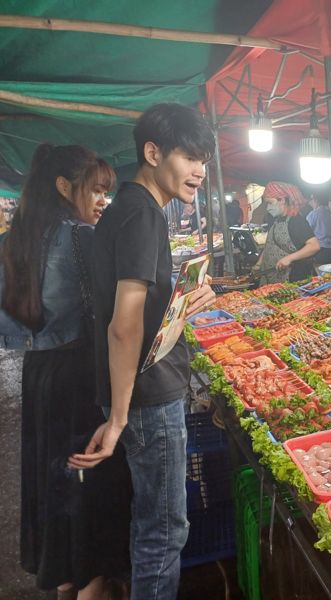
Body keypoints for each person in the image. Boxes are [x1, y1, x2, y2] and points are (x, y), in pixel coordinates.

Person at [68, 103, 217, 600]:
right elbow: (123, 326)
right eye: (190, 157)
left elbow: (138, 312)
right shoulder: (142, 215)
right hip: (150, 399)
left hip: (141, 394)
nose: (200, 170)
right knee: (164, 532)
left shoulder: (129, 211)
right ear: (153, 152)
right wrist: (119, 417)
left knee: (150, 524)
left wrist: (182, 304)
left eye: (205, 160)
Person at [0, 144, 131, 599]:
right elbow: (108, 319)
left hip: (38, 374)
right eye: (95, 190)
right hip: (79, 376)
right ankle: (92, 585)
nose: (101, 201)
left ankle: (64, 582)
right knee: (88, 484)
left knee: (55, 480)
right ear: (63, 187)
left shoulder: (13, 239)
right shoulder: (80, 236)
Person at [254, 181, 320, 283]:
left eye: (270, 203)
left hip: (291, 279)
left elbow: (314, 246)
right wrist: (259, 264)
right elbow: (269, 245)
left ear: (282, 200)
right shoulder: (276, 220)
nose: (267, 208)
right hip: (270, 278)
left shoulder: (296, 221)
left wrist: (289, 258)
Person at [306, 194, 331, 265]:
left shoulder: (313, 214)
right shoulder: (330, 214)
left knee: (315, 273)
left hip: (318, 249)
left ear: (316, 201)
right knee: (328, 273)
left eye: (311, 200)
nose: (310, 202)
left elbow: (306, 231)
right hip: (330, 249)